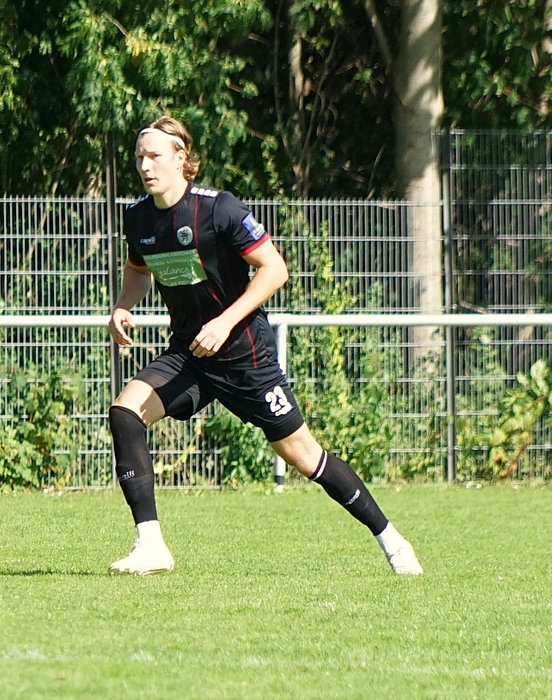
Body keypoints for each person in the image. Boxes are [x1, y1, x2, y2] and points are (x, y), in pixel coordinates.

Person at [106, 115, 423, 576]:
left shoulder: (219, 209)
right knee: (125, 412)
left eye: (154, 155)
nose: (145, 165)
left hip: (244, 356)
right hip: (190, 354)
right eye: (139, 157)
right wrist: (122, 305)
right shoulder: (137, 217)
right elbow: (138, 268)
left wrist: (225, 321)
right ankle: (151, 544)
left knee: (304, 456)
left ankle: (393, 540)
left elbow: (275, 270)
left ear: (180, 158)